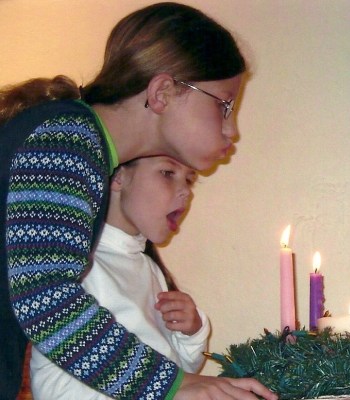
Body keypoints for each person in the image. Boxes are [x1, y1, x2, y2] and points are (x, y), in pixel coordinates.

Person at [0, 3, 277, 400]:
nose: (232, 131)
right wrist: (172, 384)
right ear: (162, 92)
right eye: (224, 105)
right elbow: (46, 299)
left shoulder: (80, 144)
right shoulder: (69, 138)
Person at [30, 155, 208, 399]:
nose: (186, 192)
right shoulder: (74, 268)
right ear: (118, 177)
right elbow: (58, 389)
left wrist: (191, 333)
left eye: (189, 180)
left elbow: (181, 376)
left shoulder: (149, 268)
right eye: (168, 173)